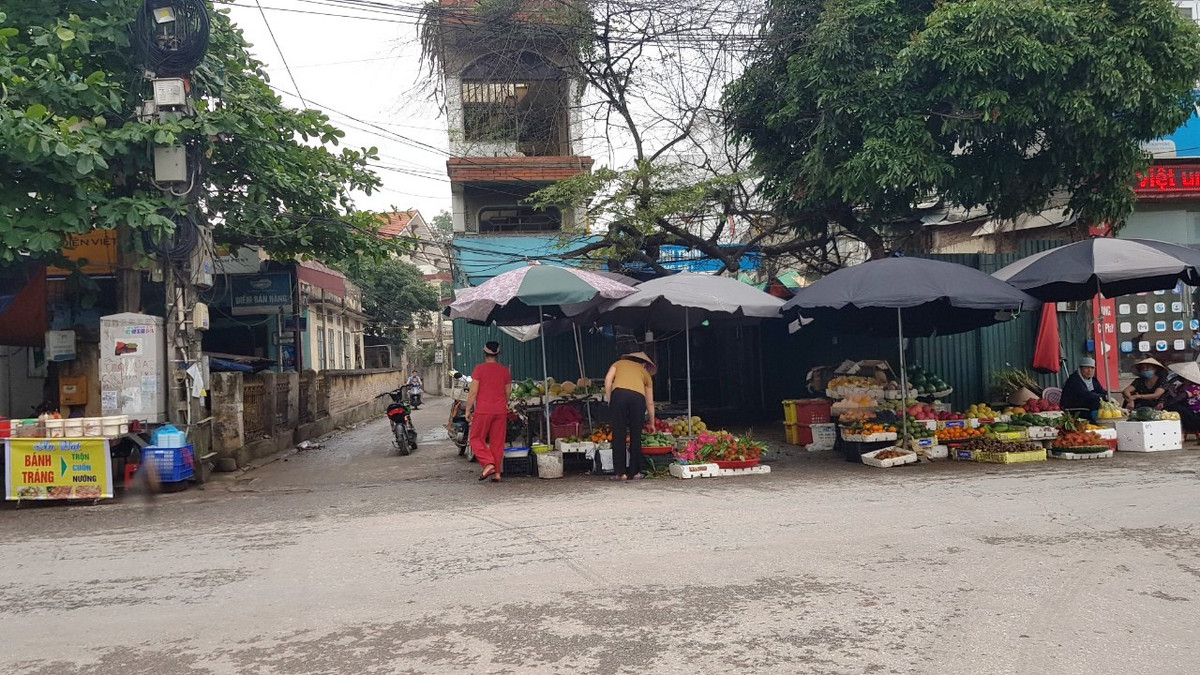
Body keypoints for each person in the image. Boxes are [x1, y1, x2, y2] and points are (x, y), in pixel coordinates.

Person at [603, 350, 656, 481]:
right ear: (644, 364)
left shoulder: (619, 363)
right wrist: (652, 422)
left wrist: (609, 398)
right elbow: (650, 402)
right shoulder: (645, 374)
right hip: (637, 399)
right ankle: (635, 472)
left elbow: (608, 379)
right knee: (635, 434)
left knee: (619, 433)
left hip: (618, 395)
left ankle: (620, 473)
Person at [465, 342, 511, 482]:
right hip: (500, 410)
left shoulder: (479, 369)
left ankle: (488, 463)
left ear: (484, 353)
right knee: (497, 441)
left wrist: (468, 409)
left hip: (483, 410)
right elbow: (508, 392)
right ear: (497, 354)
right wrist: (502, 403)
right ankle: (497, 473)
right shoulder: (504, 371)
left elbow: (473, 392)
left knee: (475, 438)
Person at [1164, 361, 1200, 434]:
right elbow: (1174, 396)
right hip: (1188, 414)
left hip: (1196, 417)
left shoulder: (1195, 387)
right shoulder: (1181, 387)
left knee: (1174, 406)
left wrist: (1165, 405)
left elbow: (1179, 398)